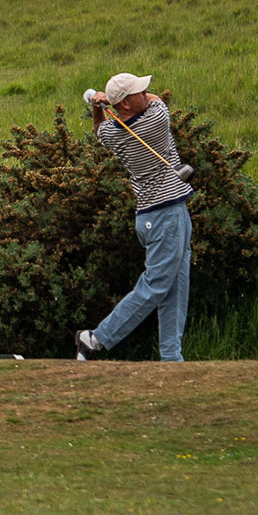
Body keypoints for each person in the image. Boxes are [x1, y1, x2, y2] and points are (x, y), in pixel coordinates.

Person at [76, 72, 194, 363]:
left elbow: (99, 128)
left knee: (175, 285)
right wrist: (109, 101)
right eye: (139, 91)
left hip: (159, 214)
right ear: (127, 103)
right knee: (156, 284)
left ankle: (171, 358)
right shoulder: (156, 120)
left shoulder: (113, 134)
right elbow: (156, 102)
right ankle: (94, 339)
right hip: (164, 213)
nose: (147, 92)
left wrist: (98, 103)